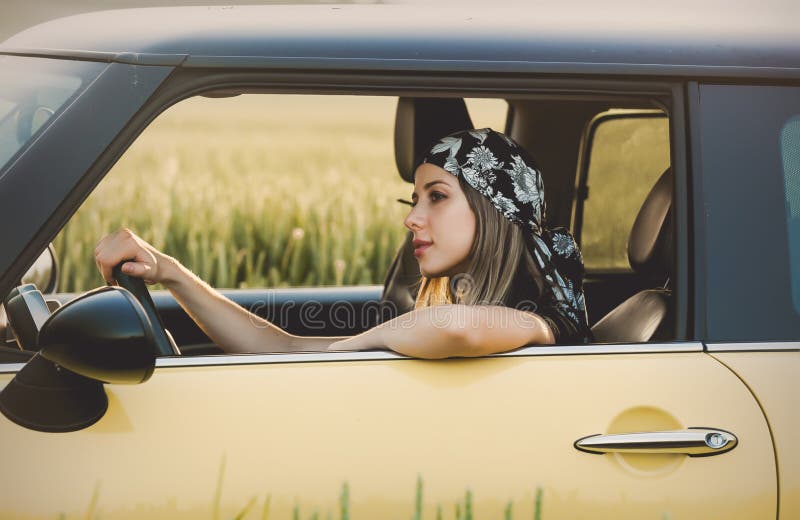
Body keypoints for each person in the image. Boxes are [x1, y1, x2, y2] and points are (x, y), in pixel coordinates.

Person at [94, 128, 590, 359]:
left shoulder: (544, 322)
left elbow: (456, 328)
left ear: (495, 213)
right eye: (413, 200)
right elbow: (282, 347)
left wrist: (344, 350)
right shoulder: (444, 314)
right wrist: (173, 273)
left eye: (436, 197)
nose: (412, 219)